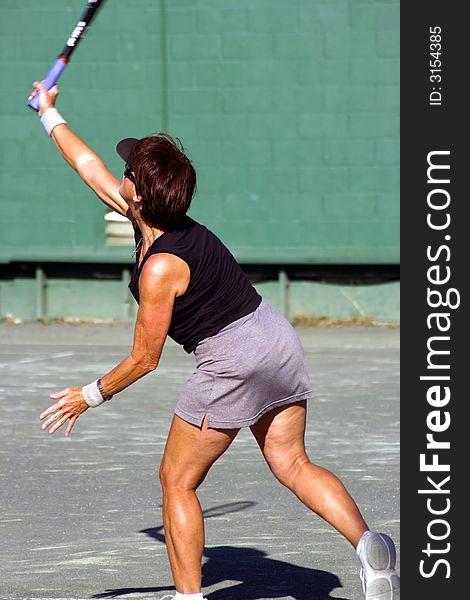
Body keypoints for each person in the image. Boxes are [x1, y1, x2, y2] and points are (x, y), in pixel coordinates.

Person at [32, 81, 400, 600]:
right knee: (292, 463)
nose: (119, 173)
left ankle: (188, 598)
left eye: (128, 170)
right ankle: (370, 549)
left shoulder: (160, 266)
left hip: (234, 361)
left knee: (176, 481)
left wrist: (86, 395)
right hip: (277, 339)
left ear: (137, 192)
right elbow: (87, 165)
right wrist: (49, 113)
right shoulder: (158, 218)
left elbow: (145, 359)